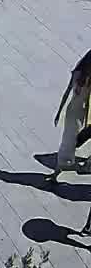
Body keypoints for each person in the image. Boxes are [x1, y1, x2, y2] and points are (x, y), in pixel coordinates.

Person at [55, 49, 91, 182]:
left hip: (75, 112)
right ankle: (63, 167)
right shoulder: (85, 79)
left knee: (69, 140)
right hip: (78, 113)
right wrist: (59, 112)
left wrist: (59, 112)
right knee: (70, 140)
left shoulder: (79, 73)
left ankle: (59, 169)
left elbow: (67, 94)